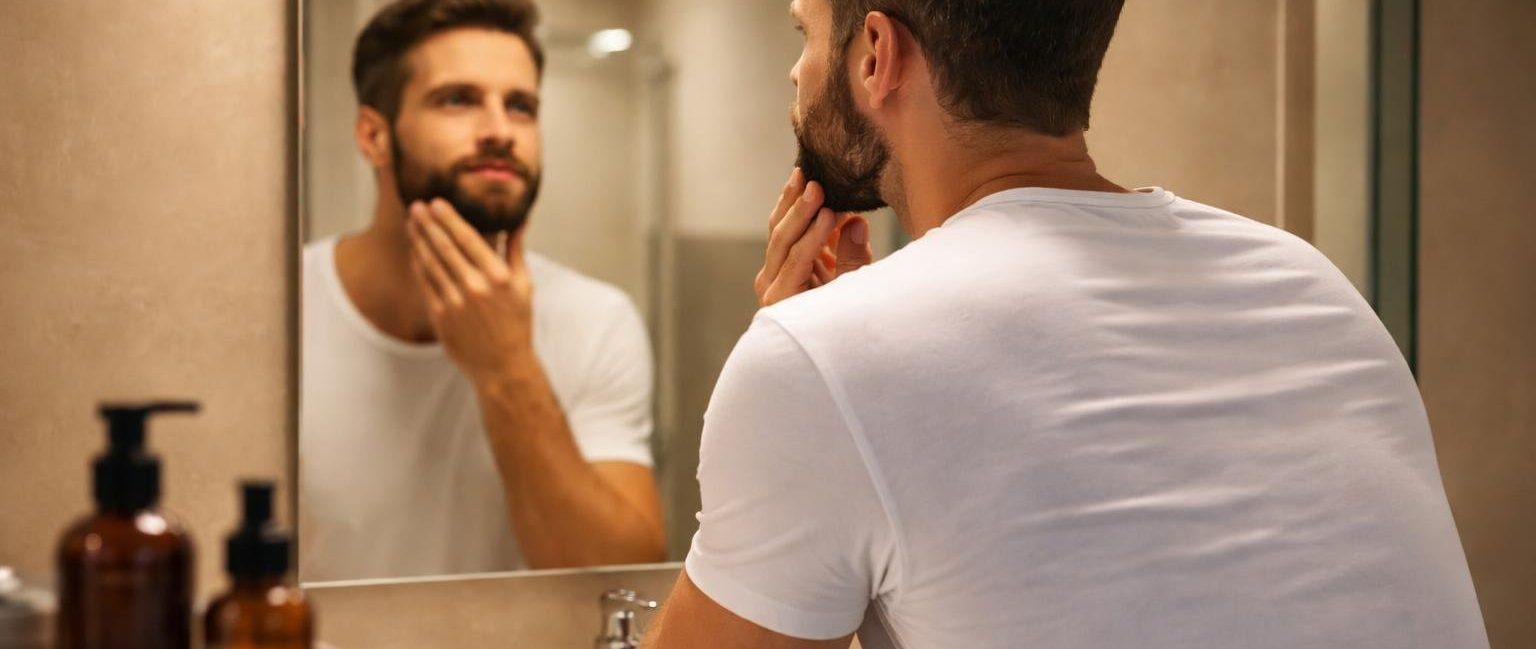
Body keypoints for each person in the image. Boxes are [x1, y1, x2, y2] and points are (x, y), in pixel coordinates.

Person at [645, 0, 1489, 647]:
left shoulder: (819, 359)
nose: (796, 74)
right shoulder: (1315, 286)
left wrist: (819, 381)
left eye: (806, 33)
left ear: (875, 55)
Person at [300, 0, 664, 582]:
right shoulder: (287, 312)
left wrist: (506, 366)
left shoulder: (596, 320)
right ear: (373, 135)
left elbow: (621, 582)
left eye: (520, 107)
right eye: (458, 99)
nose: (499, 131)